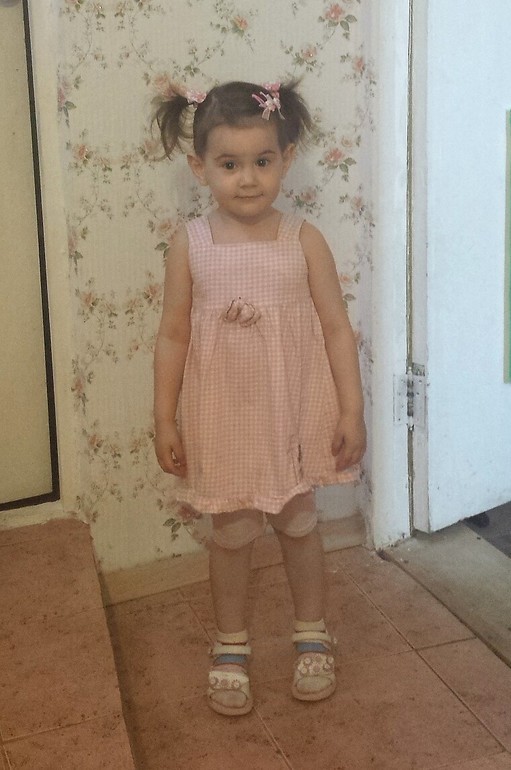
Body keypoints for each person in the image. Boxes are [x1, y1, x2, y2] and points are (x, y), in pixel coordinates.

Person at [153, 80, 366, 716]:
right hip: (223, 416)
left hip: (290, 413)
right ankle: (230, 645)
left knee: (299, 525)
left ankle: (312, 635)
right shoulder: (190, 244)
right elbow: (172, 334)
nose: (247, 179)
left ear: (286, 159)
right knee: (233, 532)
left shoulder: (303, 239)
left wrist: (351, 409)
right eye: (229, 164)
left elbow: (336, 329)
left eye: (262, 161)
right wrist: (164, 417)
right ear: (200, 167)